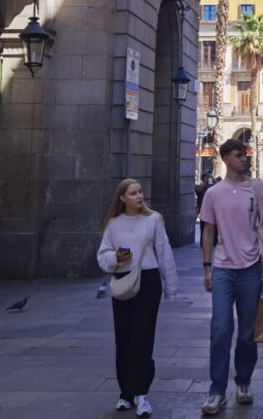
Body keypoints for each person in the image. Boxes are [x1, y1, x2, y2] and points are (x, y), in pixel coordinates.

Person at [199, 139, 263, 416]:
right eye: (238, 155)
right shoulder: (213, 193)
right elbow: (208, 231)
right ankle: (216, 390)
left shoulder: (258, 188)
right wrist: (207, 267)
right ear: (226, 159)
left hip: (252, 267)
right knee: (220, 328)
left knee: (246, 332)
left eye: (245, 155)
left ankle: (243, 381)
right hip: (222, 269)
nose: (244, 159)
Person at [97, 178, 178, 416]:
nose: (139, 196)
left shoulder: (153, 220)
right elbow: (102, 255)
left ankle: (142, 393)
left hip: (149, 280)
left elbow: (164, 252)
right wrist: (116, 258)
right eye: (133, 193)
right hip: (123, 280)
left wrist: (171, 285)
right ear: (122, 198)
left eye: (140, 192)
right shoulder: (114, 224)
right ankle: (125, 393)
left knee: (143, 337)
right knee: (123, 338)